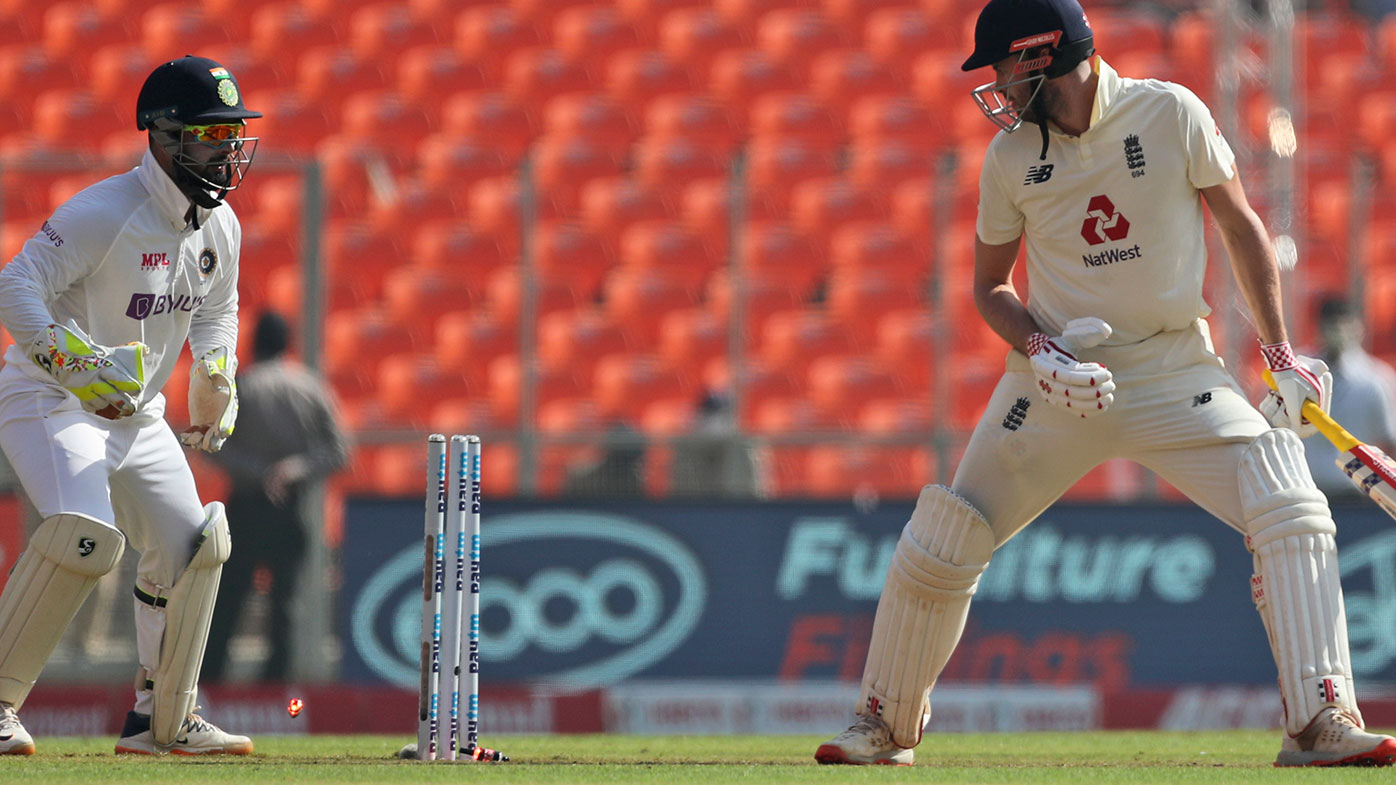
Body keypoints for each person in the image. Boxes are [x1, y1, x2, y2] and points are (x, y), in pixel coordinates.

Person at [816, 0, 1396, 768]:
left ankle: (1320, 720)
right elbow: (989, 285)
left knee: (1289, 502)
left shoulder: (1169, 112)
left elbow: (1239, 222)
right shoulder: (1012, 157)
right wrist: (1041, 349)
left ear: (1040, 56)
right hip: (1057, 379)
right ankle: (882, 726)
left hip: (1172, 370)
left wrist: (1280, 353)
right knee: (942, 539)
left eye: (1000, 65)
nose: (993, 83)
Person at [0, 56, 260, 755]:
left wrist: (217, 369)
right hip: (50, 398)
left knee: (195, 547)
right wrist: (71, 363)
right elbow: (15, 284)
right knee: (85, 535)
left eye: (233, 134)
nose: (227, 150)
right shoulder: (104, 213)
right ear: (164, 136)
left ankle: (160, 719)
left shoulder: (222, 226)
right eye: (211, 135)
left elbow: (218, 308)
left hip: (138, 413)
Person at [202, 310, 350, 682]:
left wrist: (259, 473)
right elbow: (338, 451)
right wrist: (293, 470)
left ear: (255, 343)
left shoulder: (242, 386)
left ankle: (209, 684)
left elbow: (212, 445)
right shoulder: (309, 386)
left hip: (247, 506)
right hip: (291, 507)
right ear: (288, 343)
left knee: (229, 597)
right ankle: (277, 686)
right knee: (285, 601)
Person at [1303, 296, 1396, 497]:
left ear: (1358, 327)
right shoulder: (1300, 374)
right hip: (1307, 491)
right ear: (1320, 327)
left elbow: (1390, 442)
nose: (1337, 330)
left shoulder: (1376, 380)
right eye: (1331, 323)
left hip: (1357, 496)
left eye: (1343, 323)